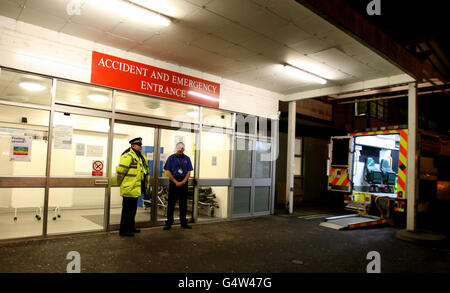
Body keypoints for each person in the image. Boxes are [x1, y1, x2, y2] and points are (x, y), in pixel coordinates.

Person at [116, 137, 150, 237]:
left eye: (141, 145)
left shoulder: (140, 157)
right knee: (126, 211)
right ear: (133, 146)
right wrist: (120, 184)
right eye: (139, 145)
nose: (141, 147)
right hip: (129, 188)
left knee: (132, 211)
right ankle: (123, 231)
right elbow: (121, 172)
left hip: (135, 189)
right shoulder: (128, 156)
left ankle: (131, 228)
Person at [163, 142, 193, 230]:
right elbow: (167, 171)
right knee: (171, 204)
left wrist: (183, 181)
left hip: (183, 183)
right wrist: (175, 181)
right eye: (179, 148)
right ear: (176, 148)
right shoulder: (171, 158)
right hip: (173, 182)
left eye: (182, 148)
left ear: (184, 149)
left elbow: (188, 172)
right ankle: (169, 223)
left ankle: (183, 222)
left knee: (183, 204)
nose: (180, 150)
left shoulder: (187, 158)